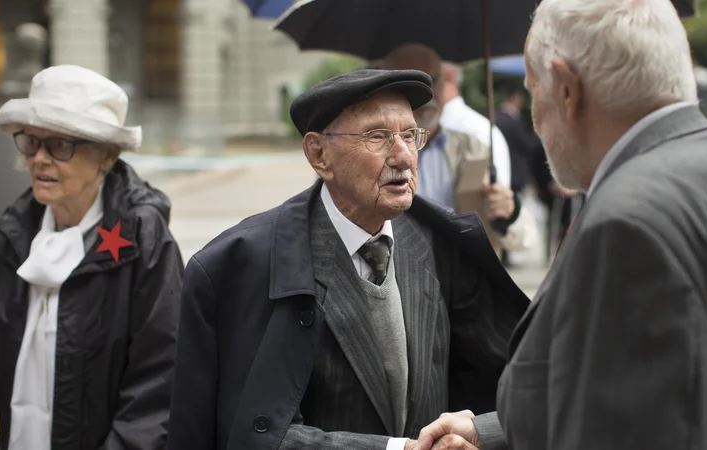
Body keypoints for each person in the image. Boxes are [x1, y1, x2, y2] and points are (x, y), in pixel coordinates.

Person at [414, 0, 707, 449]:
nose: (535, 114)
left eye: (535, 89)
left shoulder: (630, 226)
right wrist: (491, 432)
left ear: (567, 88)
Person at [167, 69, 530, 450]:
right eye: (378, 136)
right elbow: (255, 432)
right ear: (319, 154)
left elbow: (526, 381)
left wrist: (475, 433)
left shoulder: (441, 243)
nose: (404, 156)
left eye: (410, 134)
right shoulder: (242, 266)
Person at [0, 65, 184, 450]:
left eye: (60, 145)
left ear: (106, 156)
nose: (39, 158)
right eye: (31, 142)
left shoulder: (144, 239)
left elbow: (159, 386)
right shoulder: (17, 230)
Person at [381, 44, 522, 256]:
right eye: (411, 85)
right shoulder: (369, 153)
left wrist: (508, 211)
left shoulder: (473, 147)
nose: (426, 94)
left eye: (433, 81)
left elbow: (519, 235)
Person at [439, 62, 511, 190]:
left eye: (428, 78)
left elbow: (498, 197)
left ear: (448, 77)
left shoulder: (477, 131)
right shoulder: (481, 127)